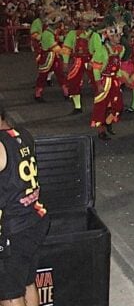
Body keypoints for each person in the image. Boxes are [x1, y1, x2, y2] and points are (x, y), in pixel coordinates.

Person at [0, 105, 49, 306]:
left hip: (13, 230)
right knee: (27, 282)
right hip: (33, 220)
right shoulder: (22, 134)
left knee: (9, 294)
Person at [91, 24, 126, 140]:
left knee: (118, 105)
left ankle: (108, 121)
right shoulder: (102, 50)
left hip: (114, 80)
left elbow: (118, 65)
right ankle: (101, 130)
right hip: (104, 80)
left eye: (119, 35)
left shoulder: (121, 49)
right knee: (101, 106)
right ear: (110, 37)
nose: (119, 38)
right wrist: (98, 84)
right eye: (116, 36)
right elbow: (96, 68)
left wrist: (120, 78)